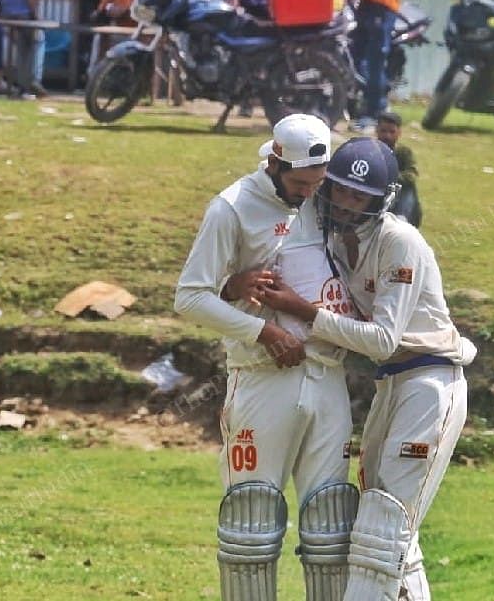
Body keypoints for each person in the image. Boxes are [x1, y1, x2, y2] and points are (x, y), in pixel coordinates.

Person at [259, 136, 476, 601]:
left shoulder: (400, 242)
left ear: (381, 200)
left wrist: (303, 311)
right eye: (339, 191)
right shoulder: (334, 239)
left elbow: (382, 340)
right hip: (392, 385)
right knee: (386, 529)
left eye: (359, 197)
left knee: (385, 525)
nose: (346, 203)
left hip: (431, 382)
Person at [174, 114, 359, 601]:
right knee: (251, 521)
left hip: (328, 373)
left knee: (330, 524)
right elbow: (190, 297)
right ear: (274, 162)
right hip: (262, 378)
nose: (307, 193)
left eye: (316, 183)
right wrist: (264, 332)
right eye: (299, 182)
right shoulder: (231, 208)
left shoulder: (322, 198)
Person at [350, 0, 404, 132]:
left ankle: (375, 113)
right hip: (366, 0)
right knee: (356, 57)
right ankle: (364, 106)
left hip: (383, 2)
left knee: (374, 63)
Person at [0, 0, 45, 98]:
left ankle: (20, 81)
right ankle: (33, 79)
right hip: (22, 15)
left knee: (20, 46)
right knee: (38, 38)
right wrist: (36, 15)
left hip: (4, 14)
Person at [376, 111, 421, 227]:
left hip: (397, 193)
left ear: (399, 133)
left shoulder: (403, 152)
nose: (387, 136)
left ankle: (402, 219)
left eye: (392, 132)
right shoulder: (370, 150)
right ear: (377, 130)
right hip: (375, 192)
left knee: (409, 188)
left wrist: (390, 177)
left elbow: (412, 174)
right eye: (383, 131)